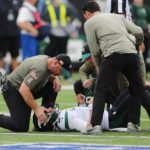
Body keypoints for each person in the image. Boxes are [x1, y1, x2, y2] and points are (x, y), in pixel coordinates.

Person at [81, 1, 150, 135]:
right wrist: (138, 43)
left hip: (113, 55)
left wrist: (99, 67)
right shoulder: (117, 16)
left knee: (100, 89)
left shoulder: (89, 23)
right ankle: (133, 124)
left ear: (86, 13)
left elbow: (94, 50)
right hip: (131, 54)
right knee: (139, 88)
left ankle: (95, 125)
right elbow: (138, 31)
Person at [0, 54, 72, 132]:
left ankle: (46, 118)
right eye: (61, 71)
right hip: (14, 90)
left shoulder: (48, 61)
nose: (60, 74)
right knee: (20, 126)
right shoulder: (40, 69)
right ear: (55, 63)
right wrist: (37, 108)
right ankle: (42, 116)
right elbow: (24, 90)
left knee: (52, 86)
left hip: (25, 88)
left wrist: (55, 78)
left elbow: (46, 74)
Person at [0, 0, 23, 73]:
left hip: (15, 34)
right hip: (2, 35)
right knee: (1, 57)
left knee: (15, 56)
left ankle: (15, 79)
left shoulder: (18, 2)